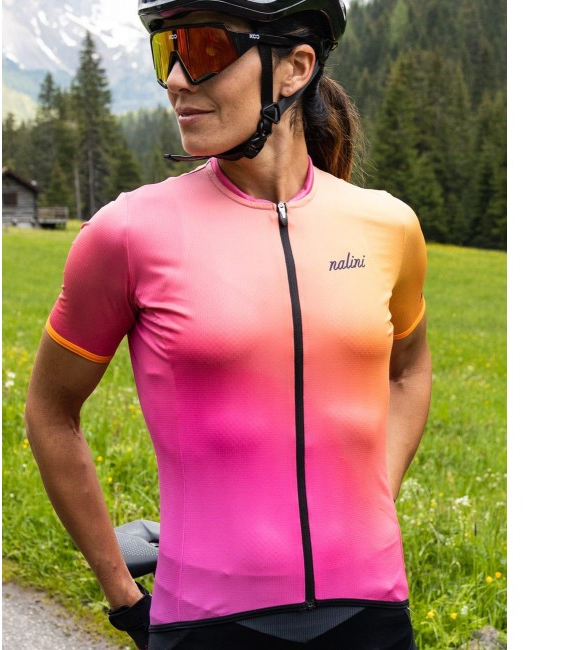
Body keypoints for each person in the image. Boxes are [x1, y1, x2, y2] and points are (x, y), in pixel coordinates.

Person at [24, 0, 432, 648]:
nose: (176, 79)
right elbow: (51, 411)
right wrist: (122, 595)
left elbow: (409, 371)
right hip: (206, 622)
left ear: (296, 67)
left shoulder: (388, 225)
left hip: (373, 613)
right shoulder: (128, 233)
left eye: (204, 50)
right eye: (167, 52)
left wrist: (374, 492)